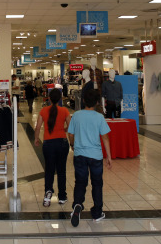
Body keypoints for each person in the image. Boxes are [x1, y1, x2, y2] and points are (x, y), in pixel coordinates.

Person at [67, 90, 111, 226]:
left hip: (80, 155)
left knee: (80, 182)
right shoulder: (99, 117)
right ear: (97, 102)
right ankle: (97, 213)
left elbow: (70, 133)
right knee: (97, 184)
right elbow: (105, 138)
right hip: (96, 156)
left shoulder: (76, 116)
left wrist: (73, 145)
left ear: (84, 101)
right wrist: (109, 156)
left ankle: (78, 205)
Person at [34, 89, 71, 207]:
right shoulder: (64, 110)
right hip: (62, 143)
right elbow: (70, 127)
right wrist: (64, 130)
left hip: (48, 144)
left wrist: (36, 139)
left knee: (49, 170)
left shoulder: (44, 111)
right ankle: (62, 196)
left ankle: (48, 194)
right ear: (60, 98)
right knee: (61, 171)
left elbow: (38, 127)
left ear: (49, 98)